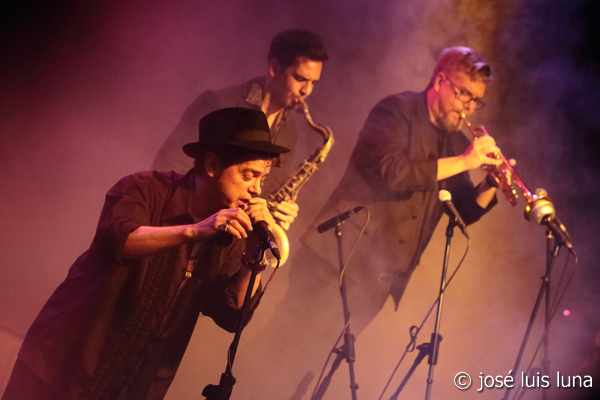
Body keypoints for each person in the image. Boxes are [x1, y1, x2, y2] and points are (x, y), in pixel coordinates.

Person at [232, 46, 504, 399]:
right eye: (465, 94)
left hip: (380, 279)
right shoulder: (395, 110)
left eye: (476, 101)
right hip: (337, 259)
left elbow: (463, 210)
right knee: (283, 350)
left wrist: (490, 184)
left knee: (314, 366)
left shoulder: (455, 141)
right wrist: (466, 161)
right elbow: (394, 173)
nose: (468, 107)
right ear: (441, 81)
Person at [1, 107, 289, 400]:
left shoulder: (232, 235)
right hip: (60, 369)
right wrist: (195, 230)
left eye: (262, 178)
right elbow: (119, 241)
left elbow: (231, 316)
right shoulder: (146, 188)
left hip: (133, 388)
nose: (257, 189)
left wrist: (254, 256)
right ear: (213, 164)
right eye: (249, 175)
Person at [152, 29, 329, 231]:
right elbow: (168, 169)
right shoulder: (219, 102)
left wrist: (276, 214)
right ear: (274, 67)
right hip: (186, 225)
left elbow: (265, 193)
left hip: (233, 237)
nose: (306, 90)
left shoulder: (290, 132)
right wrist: (198, 225)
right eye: (299, 78)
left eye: (313, 83)